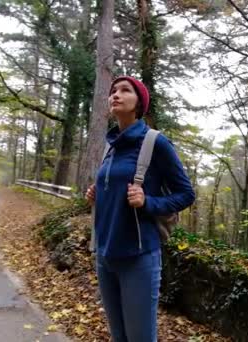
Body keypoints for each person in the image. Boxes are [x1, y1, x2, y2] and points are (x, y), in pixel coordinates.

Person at [85, 76, 195, 342]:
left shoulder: (155, 142)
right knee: (118, 337)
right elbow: (115, 189)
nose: (116, 95)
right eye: (113, 91)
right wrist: (97, 194)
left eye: (125, 90)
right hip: (105, 255)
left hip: (138, 258)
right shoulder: (110, 147)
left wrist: (149, 202)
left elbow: (186, 194)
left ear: (139, 103)